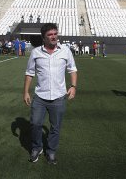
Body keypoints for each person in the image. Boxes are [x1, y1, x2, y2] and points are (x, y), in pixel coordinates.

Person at [23, 23, 77, 164]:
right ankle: (37, 147)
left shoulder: (65, 51)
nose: (53, 37)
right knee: (35, 123)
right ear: (43, 38)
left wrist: (73, 86)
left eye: (55, 33)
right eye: (50, 35)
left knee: (55, 127)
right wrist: (26, 92)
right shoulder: (36, 53)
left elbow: (72, 69)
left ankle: (51, 151)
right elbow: (29, 73)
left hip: (59, 96)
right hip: (40, 96)